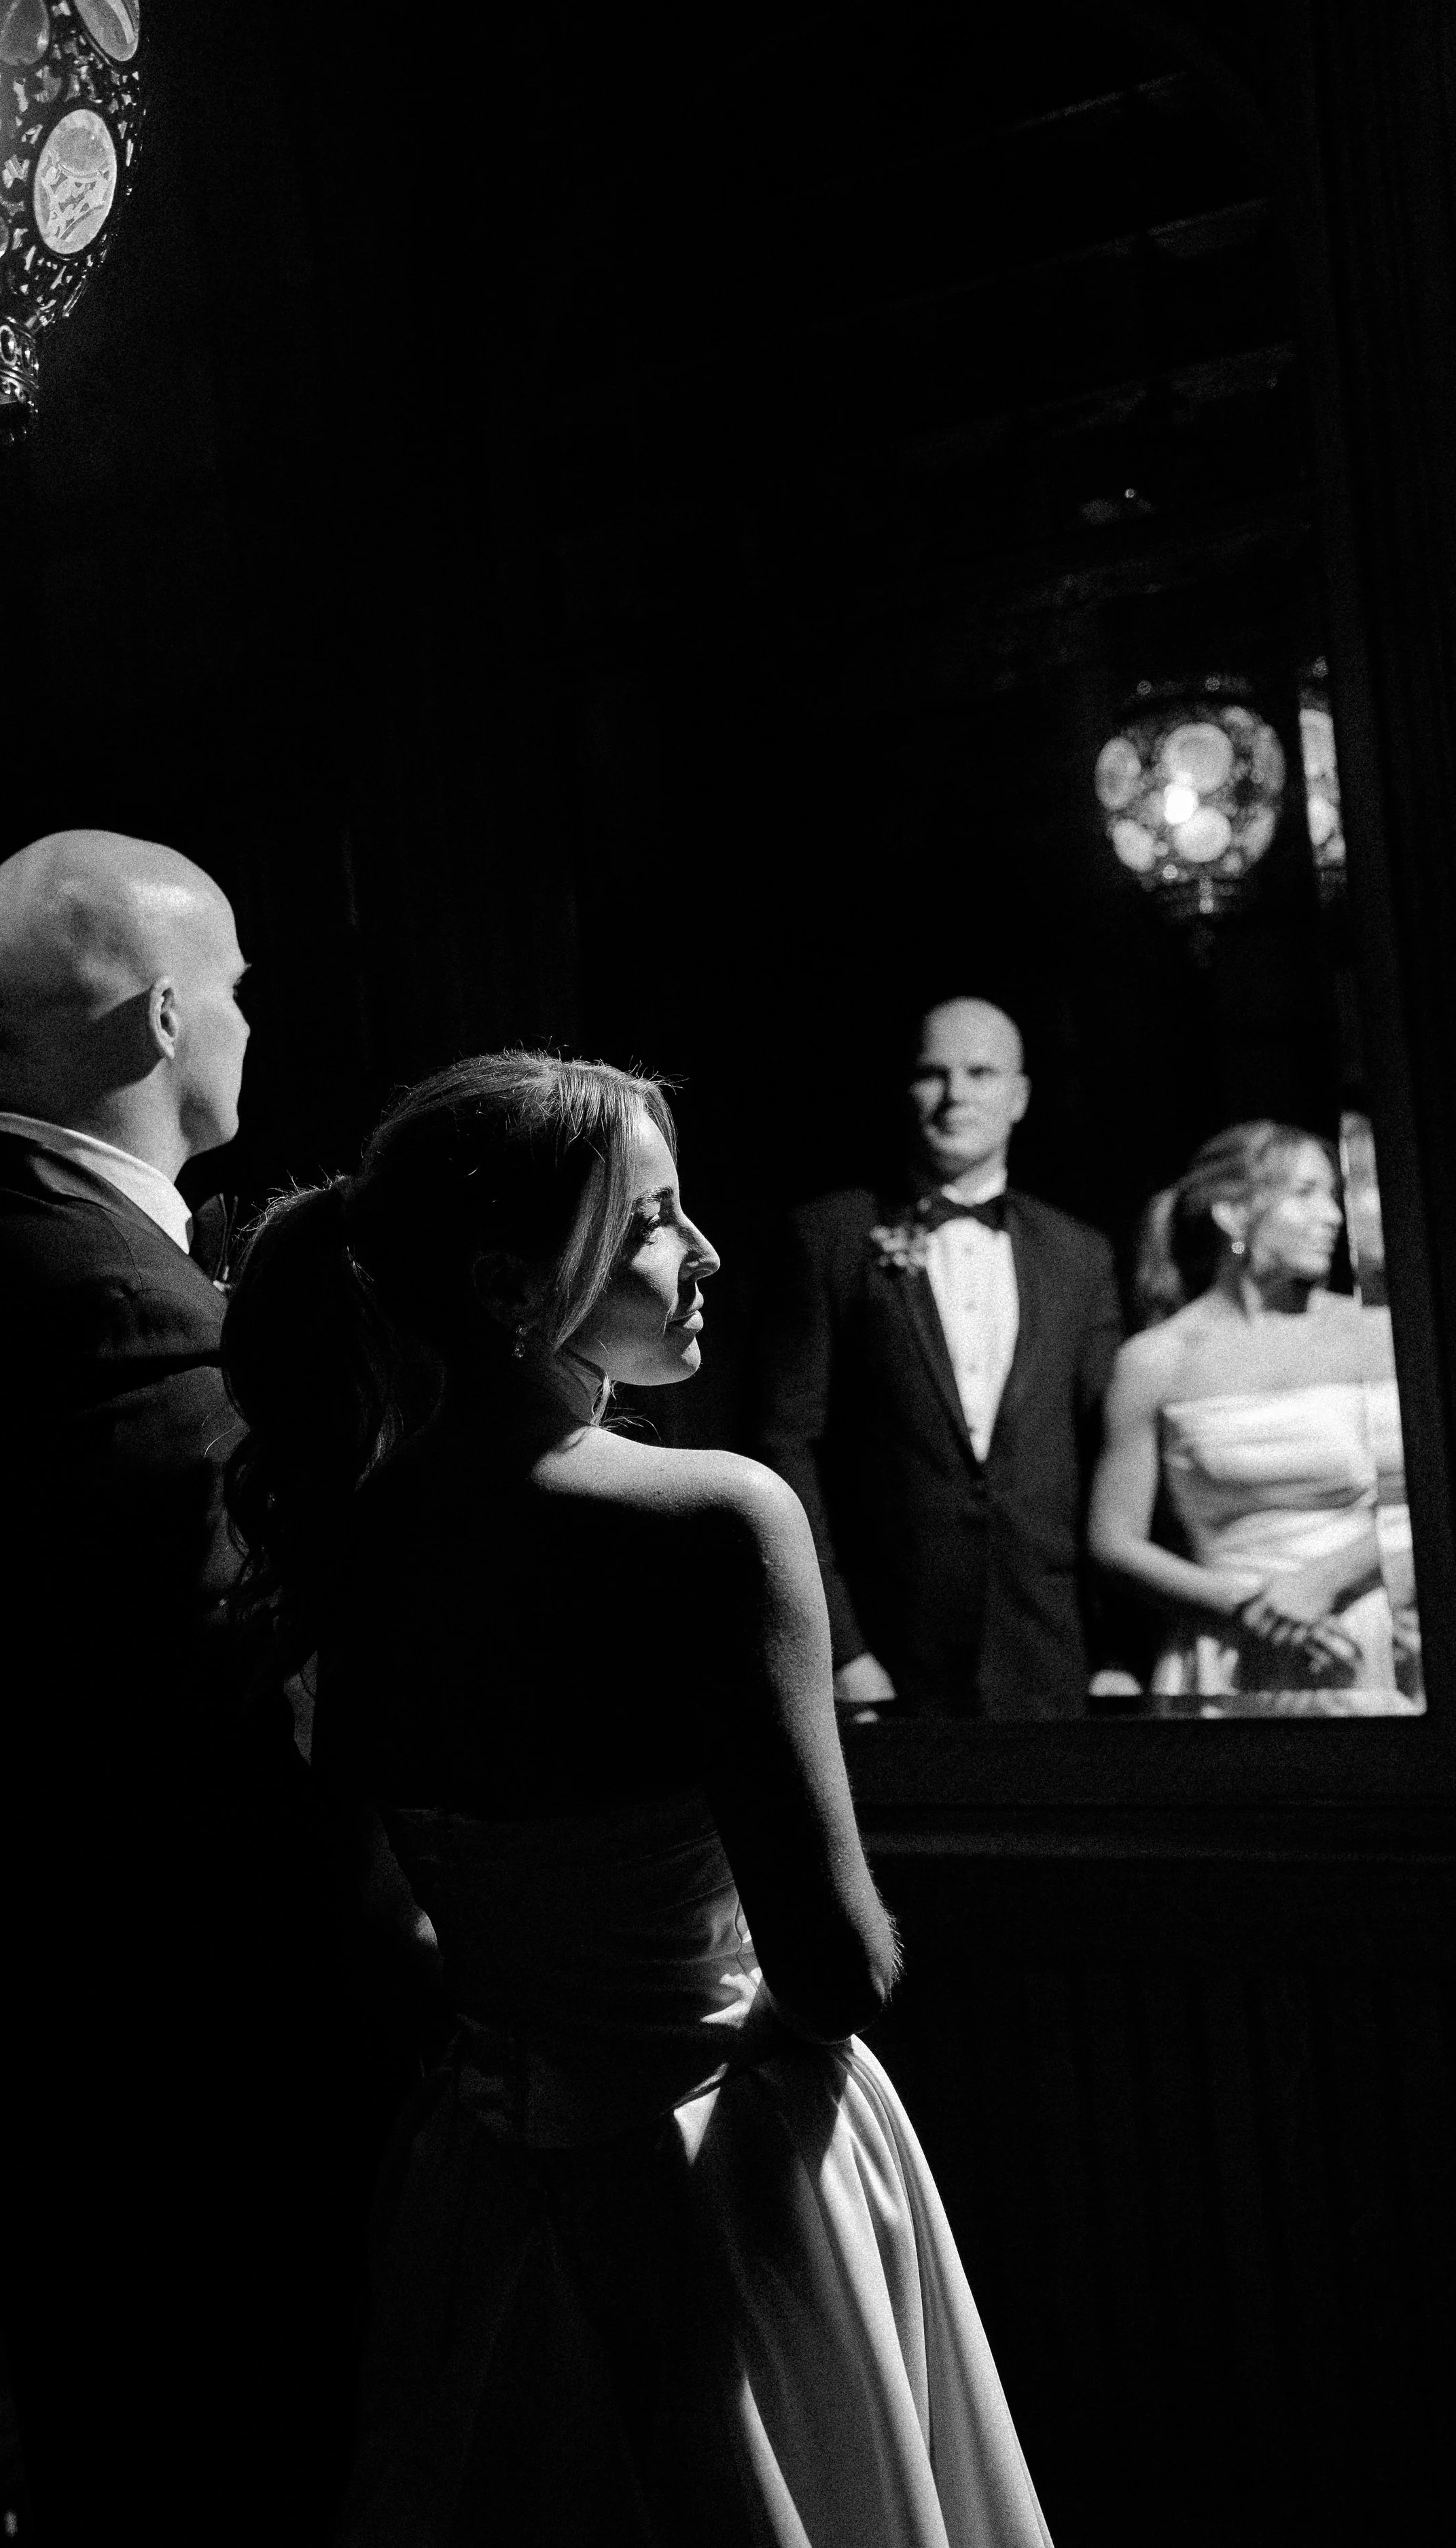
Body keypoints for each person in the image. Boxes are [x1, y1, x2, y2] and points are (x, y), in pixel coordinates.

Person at [221, 1049, 1054, 2547]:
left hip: (485, 2185)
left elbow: (377, 1931)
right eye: (655, 1218)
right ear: (509, 1284)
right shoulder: (712, 1521)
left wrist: (534, 2045)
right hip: (725, 2172)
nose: (706, 1251)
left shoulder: (359, 1527)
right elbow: (834, 1971)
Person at [0, 830, 406, 2541]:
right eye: (239, 989)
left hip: (52, 2030)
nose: (253, 1021)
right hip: (170, 2064)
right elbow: (223, 1689)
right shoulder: (109, 1296)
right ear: (171, 1017)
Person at [746, 998, 1122, 1721]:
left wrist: (1116, 1649)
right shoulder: (828, 1237)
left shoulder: (1079, 1254)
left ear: (1019, 1097)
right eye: (932, 1073)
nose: (955, 1095)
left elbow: (1111, 1450)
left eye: (981, 1073)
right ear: (904, 1090)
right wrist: (841, 1649)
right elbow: (783, 1449)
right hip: (886, 1653)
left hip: (1051, 1652)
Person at [1088, 1118, 1421, 1717]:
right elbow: (1114, 1541)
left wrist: (1327, 1579)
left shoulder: (1377, 1335)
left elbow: (1430, 1498)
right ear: (1234, 1214)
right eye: (1305, 1193)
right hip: (1232, 1650)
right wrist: (1250, 1607)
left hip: (1377, 1635)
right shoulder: (1156, 1360)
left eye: (1333, 1195)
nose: (1332, 1216)